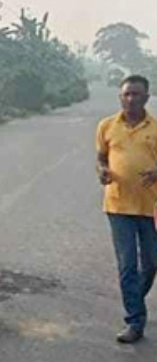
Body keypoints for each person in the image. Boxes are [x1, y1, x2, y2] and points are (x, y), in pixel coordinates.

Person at [96, 75, 157, 344]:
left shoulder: (154, 128)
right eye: (126, 94)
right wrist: (103, 171)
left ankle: (134, 298)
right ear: (120, 97)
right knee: (128, 265)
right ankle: (134, 320)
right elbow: (100, 158)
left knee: (151, 264)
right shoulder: (107, 126)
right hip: (118, 205)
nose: (130, 99)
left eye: (136, 94)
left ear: (147, 97)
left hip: (149, 206)